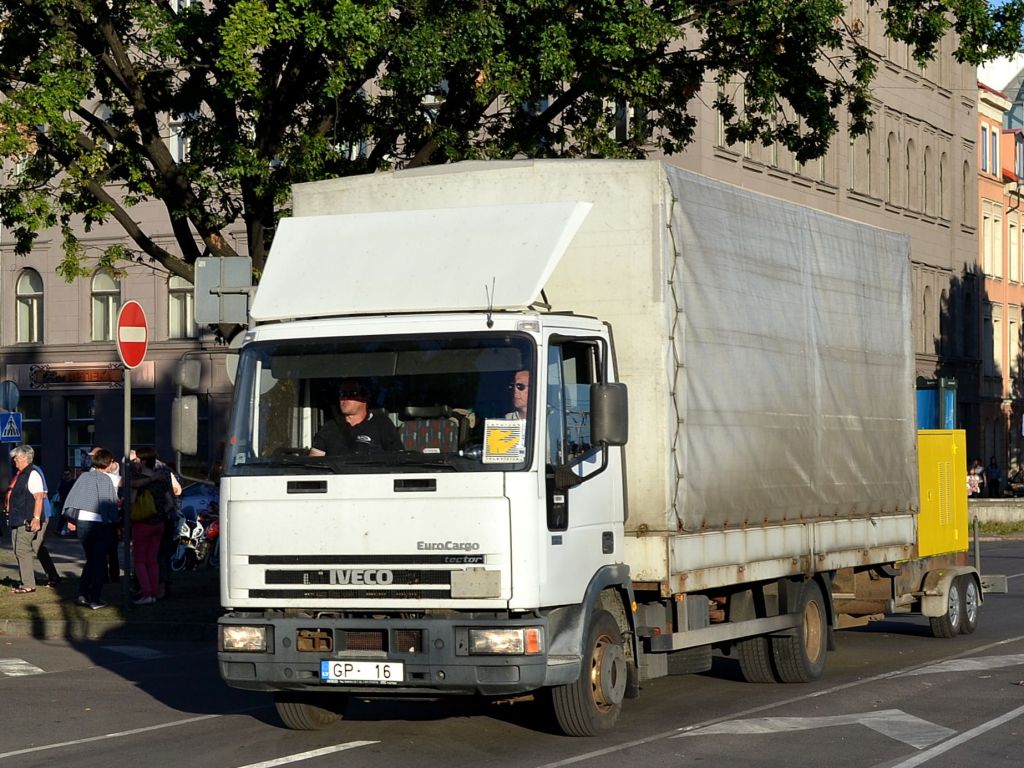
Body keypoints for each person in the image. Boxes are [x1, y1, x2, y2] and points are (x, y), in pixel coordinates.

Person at [63, 447, 120, 610]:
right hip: (100, 524)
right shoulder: (107, 479)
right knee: (99, 561)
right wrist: (116, 521)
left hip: (82, 522)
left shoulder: (84, 477)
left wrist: (71, 518)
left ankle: (82, 594)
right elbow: (110, 504)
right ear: (108, 463)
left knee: (91, 560)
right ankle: (95, 598)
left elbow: (72, 498)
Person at [4, 445, 61, 593]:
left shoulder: (33, 472)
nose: (14, 460)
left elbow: (40, 496)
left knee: (28, 548)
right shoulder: (20, 474)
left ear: (24, 457)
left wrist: (36, 518)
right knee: (34, 547)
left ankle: (30, 583)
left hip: (32, 516)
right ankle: (50, 577)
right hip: (20, 517)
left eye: (16, 457)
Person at [130, 447, 176, 605]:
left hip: (142, 523)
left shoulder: (139, 480)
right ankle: (154, 592)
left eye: (136, 460)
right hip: (159, 523)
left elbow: (131, 501)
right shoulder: (161, 480)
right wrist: (159, 513)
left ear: (142, 462)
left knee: (139, 560)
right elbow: (170, 503)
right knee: (153, 560)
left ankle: (147, 593)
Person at [309, 379, 402, 455]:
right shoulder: (330, 427)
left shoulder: (382, 424)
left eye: (351, 394)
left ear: (365, 397)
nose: (344, 398)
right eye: (342, 393)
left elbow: (398, 459)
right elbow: (313, 463)